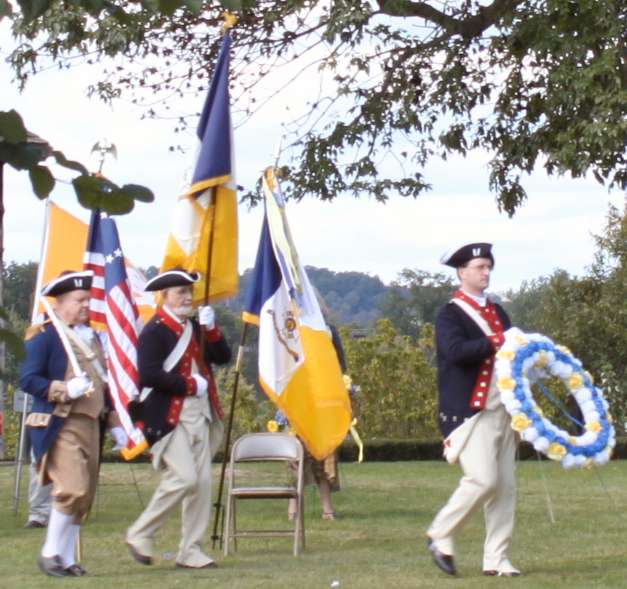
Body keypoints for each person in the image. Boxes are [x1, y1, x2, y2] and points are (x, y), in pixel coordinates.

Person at [19, 270, 127, 577]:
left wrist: (116, 422)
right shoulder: (46, 336)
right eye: (79, 300)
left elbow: (104, 385)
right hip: (60, 422)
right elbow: (28, 379)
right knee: (72, 487)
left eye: (87, 300)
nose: (85, 305)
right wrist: (63, 389)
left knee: (85, 495)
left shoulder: (91, 337)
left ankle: (66, 559)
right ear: (62, 302)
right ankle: (50, 551)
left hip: (91, 423)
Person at [426, 242, 520, 577]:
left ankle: (496, 558)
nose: (485, 272)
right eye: (479, 266)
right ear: (462, 272)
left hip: (504, 408)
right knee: (482, 479)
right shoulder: (449, 313)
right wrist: (498, 341)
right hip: (471, 409)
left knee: (505, 487)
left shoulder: (498, 311)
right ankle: (440, 533)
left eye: (487, 266)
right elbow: (454, 352)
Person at [126, 269, 231, 570]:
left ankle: (191, 550)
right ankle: (140, 533)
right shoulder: (155, 331)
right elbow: (148, 374)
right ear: (164, 297)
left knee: (200, 483)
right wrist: (187, 385)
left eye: (188, 291)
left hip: (200, 413)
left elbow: (222, 356)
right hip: (168, 416)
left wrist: (211, 331)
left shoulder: (196, 326)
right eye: (179, 292)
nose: (186, 297)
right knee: (184, 476)